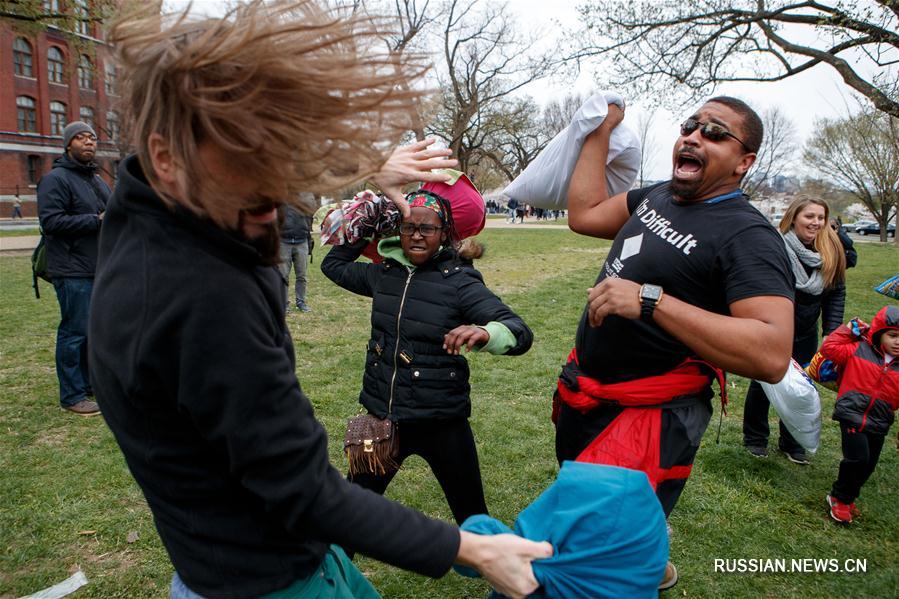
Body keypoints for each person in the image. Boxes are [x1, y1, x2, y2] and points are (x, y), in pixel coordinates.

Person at [88, 3, 550, 599]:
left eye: (282, 157)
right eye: (250, 164)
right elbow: (304, 491)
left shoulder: (161, 207)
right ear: (167, 156)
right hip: (267, 579)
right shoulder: (202, 298)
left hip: (281, 548)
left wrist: (366, 168)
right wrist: (471, 549)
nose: (277, 191)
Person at [557, 96, 795, 590]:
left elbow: (772, 353)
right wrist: (601, 131)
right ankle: (649, 550)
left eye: (714, 132)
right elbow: (582, 214)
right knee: (595, 520)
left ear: (744, 162)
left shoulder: (748, 235)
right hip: (591, 397)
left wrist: (650, 300)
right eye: (690, 125)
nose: (693, 136)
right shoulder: (659, 196)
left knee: (590, 558)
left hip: (649, 418)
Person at [321, 189, 533, 526]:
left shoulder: (459, 282)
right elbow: (333, 265)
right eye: (408, 228)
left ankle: (504, 574)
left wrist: (487, 333)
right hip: (381, 419)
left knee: (474, 518)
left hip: (441, 422)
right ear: (398, 232)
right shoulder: (384, 275)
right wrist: (368, 219)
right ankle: (330, 576)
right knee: (350, 514)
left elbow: (518, 331)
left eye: (427, 229)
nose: (417, 235)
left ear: (444, 233)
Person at [743, 196, 846, 464]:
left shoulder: (831, 251)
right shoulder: (776, 245)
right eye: (809, 216)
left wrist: (831, 330)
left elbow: (836, 293)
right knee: (764, 382)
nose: (816, 223)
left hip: (805, 331)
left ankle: (791, 443)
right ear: (793, 218)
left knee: (801, 386)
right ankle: (755, 438)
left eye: (820, 217)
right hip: (774, 329)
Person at [37, 120, 110, 416]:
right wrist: (97, 220)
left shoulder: (97, 180)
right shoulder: (56, 179)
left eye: (91, 137)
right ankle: (72, 395)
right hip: (71, 268)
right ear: (68, 145)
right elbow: (51, 222)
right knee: (74, 331)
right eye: (80, 138)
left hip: (99, 267)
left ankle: (90, 385)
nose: (88, 142)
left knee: (94, 331)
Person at [820, 306, 899, 523]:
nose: (897, 342)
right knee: (858, 458)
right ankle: (840, 498)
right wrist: (848, 330)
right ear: (879, 333)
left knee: (869, 465)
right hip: (851, 413)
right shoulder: (858, 350)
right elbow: (830, 349)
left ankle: (848, 495)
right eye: (892, 335)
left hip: (880, 422)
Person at [280, 200, 314, 312]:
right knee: (283, 276)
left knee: (302, 276)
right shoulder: (280, 202)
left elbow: (309, 222)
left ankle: (301, 302)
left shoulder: (304, 202)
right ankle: (284, 304)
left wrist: (309, 242)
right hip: (284, 242)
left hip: (302, 242)